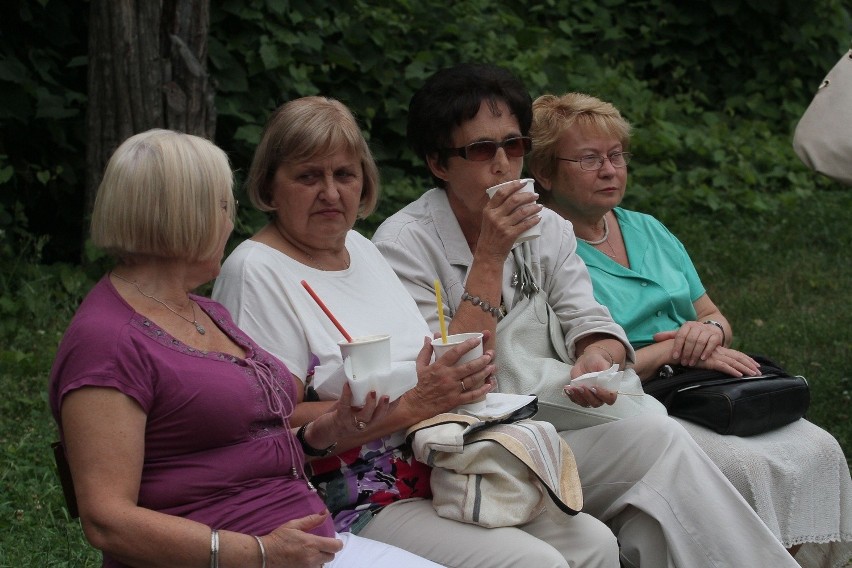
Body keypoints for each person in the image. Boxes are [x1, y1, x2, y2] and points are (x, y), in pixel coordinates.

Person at [371, 62, 805, 568]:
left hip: (553, 413)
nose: (503, 164)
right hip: (472, 443)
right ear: (439, 164)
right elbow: (452, 378)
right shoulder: (405, 245)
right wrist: (490, 255)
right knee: (656, 435)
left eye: (514, 146)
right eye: (481, 150)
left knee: (652, 470)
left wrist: (596, 358)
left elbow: (589, 317)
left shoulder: (547, 225)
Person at [212, 96, 622, 568]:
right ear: (269, 185)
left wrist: (440, 388)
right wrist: (415, 401)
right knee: (532, 562)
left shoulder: (361, 251)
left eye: (344, 175)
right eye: (309, 176)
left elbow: (447, 366)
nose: (330, 192)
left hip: (442, 462)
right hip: (350, 494)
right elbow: (263, 427)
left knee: (592, 542)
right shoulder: (256, 271)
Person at [48, 129, 443, 568]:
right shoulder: (108, 341)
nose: (230, 222)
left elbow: (241, 443)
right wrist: (258, 553)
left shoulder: (201, 311)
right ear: (182, 214)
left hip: (308, 544)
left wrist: (327, 429)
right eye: (221, 205)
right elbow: (107, 521)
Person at [527, 91, 852, 567]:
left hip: (704, 382)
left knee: (819, 448)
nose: (610, 170)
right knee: (743, 467)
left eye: (616, 155)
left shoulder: (647, 228)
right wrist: (681, 348)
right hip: (639, 402)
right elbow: (579, 362)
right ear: (545, 171)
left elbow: (714, 315)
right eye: (589, 158)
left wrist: (711, 334)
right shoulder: (542, 251)